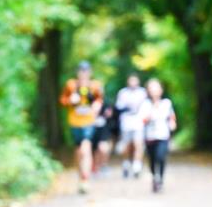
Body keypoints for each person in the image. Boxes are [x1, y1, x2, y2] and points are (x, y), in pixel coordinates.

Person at [59, 61, 104, 193]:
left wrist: (97, 105)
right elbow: (62, 100)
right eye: (81, 71)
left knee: (86, 148)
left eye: (86, 71)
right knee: (79, 151)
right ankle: (81, 177)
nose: (83, 73)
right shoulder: (71, 85)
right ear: (77, 72)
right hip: (74, 122)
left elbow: (99, 99)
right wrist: (69, 100)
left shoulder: (95, 86)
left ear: (90, 72)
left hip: (88, 121)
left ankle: (86, 178)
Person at [139, 78, 177, 193]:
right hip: (150, 137)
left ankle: (159, 179)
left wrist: (172, 124)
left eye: (156, 88)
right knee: (152, 159)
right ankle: (154, 177)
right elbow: (142, 120)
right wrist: (150, 113)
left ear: (161, 90)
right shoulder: (145, 104)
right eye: (152, 89)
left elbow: (171, 118)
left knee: (161, 157)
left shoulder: (166, 103)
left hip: (163, 135)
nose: (154, 91)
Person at [115, 74, 148, 179]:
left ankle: (137, 166)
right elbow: (118, 106)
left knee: (138, 144)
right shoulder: (123, 93)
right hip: (126, 121)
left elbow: (146, 106)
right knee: (127, 145)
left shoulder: (142, 92)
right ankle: (126, 164)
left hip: (138, 121)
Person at [91, 101, 115, 176]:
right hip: (91, 129)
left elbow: (110, 114)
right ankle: (95, 168)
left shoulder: (105, 103)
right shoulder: (87, 101)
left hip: (103, 129)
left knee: (103, 148)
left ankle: (104, 165)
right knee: (94, 150)